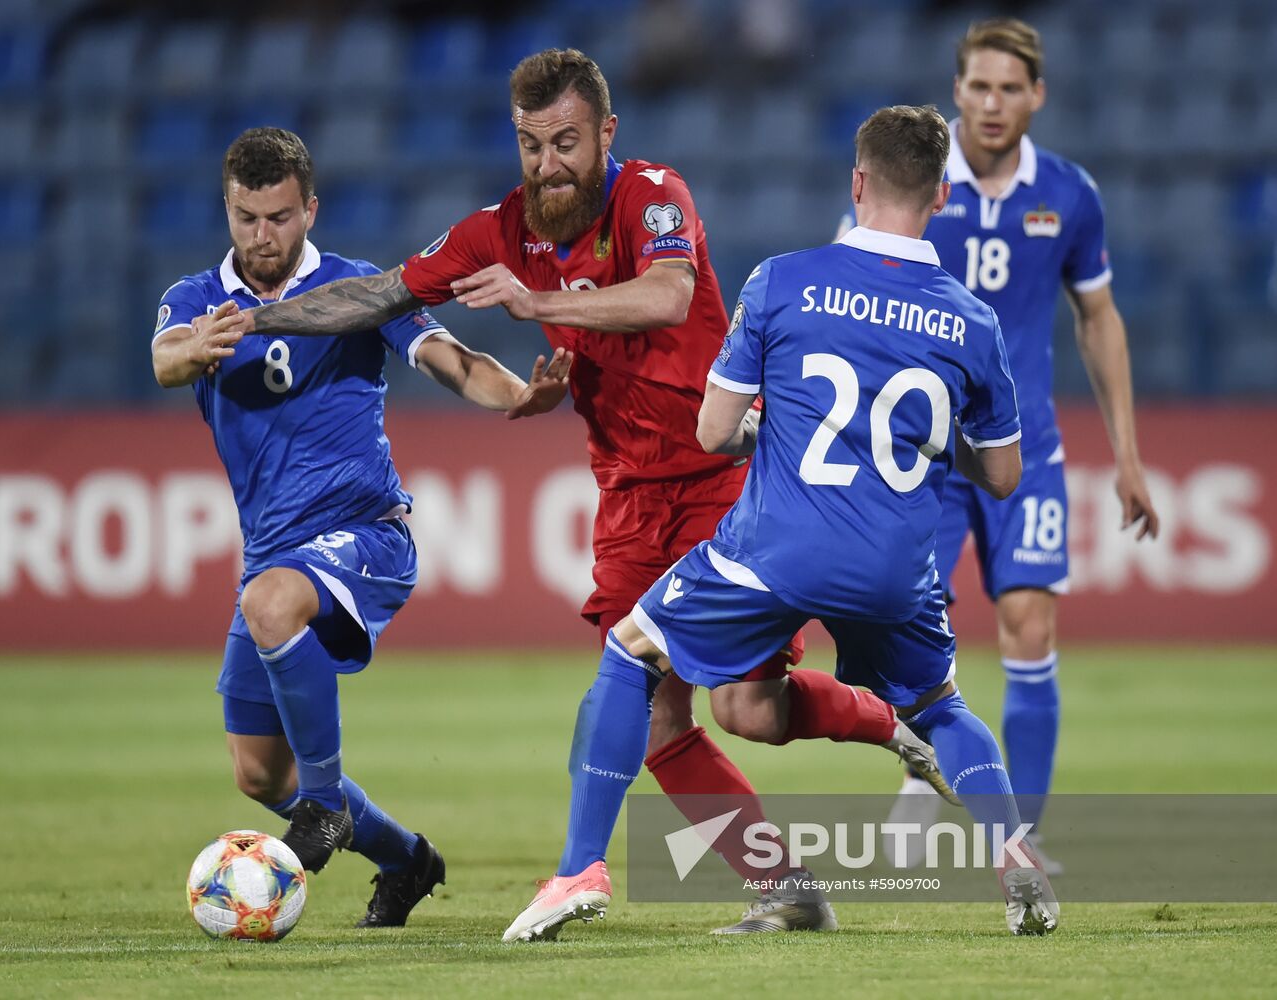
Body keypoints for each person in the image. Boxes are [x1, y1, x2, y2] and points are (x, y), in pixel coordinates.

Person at [230, 49, 954, 935]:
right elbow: (379, 294)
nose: (546, 165)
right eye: (530, 144)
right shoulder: (499, 227)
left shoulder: (651, 196)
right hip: (627, 495)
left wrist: (535, 305)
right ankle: (789, 886)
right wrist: (248, 320)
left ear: (604, 134)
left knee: (747, 709)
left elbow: (664, 294)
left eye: (565, 142)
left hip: (724, 476)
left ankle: (891, 727)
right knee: (666, 717)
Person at [503, 105, 1059, 944]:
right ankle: (1014, 858)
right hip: (898, 566)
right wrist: (929, 441)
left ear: (856, 183)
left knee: (631, 652)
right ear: (942, 195)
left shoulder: (782, 280)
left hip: (781, 548)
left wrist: (781, 427)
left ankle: (580, 867)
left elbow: (713, 434)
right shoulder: (970, 321)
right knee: (942, 703)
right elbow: (1005, 473)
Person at [151, 127, 571, 928]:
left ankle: (326, 803)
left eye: (278, 217)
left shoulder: (358, 290)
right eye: (246, 218)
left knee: (271, 608)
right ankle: (405, 858)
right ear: (227, 210)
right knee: (255, 774)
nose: (262, 236)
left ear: (310, 208)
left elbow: (454, 361)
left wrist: (518, 394)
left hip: (366, 531)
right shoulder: (196, 299)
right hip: (273, 552)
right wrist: (196, 346)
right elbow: (167, 358)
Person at [875, 19, 1160, 868]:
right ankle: (921, 774)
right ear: (955, 91)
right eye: (977, 87)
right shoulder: (914, 185)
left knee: (1029, 627)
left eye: (1010, 88)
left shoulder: (1069, 194)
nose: (992, 104)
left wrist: (1129, 457)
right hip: (924, 452)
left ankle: (1019, 840)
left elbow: (1097, 319)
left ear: (1036, 95)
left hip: (1024, 450)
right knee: (909, 628)